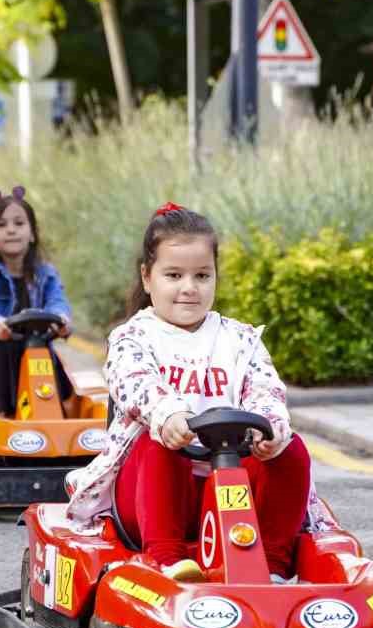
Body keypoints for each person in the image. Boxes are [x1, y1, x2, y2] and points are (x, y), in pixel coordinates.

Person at [66, 202, 316, 583]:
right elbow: (136, 383)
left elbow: (265, 387)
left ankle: (273, 564)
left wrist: (270, 428)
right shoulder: (132, 338)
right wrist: (167, 415)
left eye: (202, 275)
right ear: (148, 278)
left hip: (228, 488)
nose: (189, 288)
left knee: (292, 449)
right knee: (158, 445)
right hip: (152, 494)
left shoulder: (239, 338)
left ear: (216, 276)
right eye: (174, 275)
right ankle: (167, 562)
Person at [0, 186, 74, 414]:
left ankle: (54, 413)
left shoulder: (46, 273)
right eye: (1, 225)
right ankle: (0, 414)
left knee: (50, 363)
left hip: (35, 355)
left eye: (19, 223)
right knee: (0, 347)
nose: (11, 230)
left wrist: (62, 318)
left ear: (32, 234)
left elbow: (57, 300)